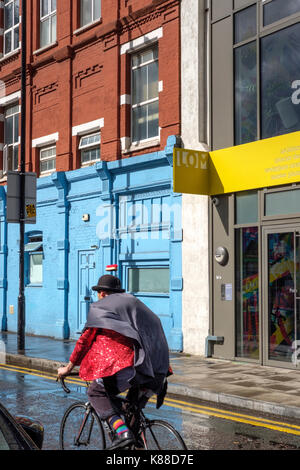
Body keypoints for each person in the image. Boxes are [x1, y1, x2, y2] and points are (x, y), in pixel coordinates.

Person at [57, 274, 172, 450]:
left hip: (127, 367)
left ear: (102, 293)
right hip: (157, 371)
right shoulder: (134, 306)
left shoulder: (101, 309)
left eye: (98, 293)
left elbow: (84, 342)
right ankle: (134, 442)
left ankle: (122, 433)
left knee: (96, 392)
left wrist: (68, 367)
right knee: (131, 409)